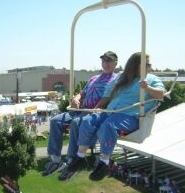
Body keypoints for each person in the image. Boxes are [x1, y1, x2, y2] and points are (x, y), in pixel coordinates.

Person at [64, 52, 166, 181]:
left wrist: (147, 88)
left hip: (130, 115)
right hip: (110, 112)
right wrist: (98, 108)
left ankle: (104, 163)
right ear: (135, 65)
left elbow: (160, 94)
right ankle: (80, 157)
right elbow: (107, 95)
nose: (149, 66)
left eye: (149, 64)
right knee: (87, 121)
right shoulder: (121, 78)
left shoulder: (151, 79)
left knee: (107, 126)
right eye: (146, 64)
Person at [42, 51, 118, 178]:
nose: (106, 63)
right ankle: (55, 159)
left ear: (115, 63)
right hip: (81, 110)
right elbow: (82, 93)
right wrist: (75, 99)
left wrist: (95, 109)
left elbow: (112, 97)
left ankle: (72, 160)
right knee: (55, 120)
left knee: (76, 123)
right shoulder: (94, 78)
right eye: (104, 60)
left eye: (109, 61)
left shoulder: (116, 80)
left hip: (95, 113)